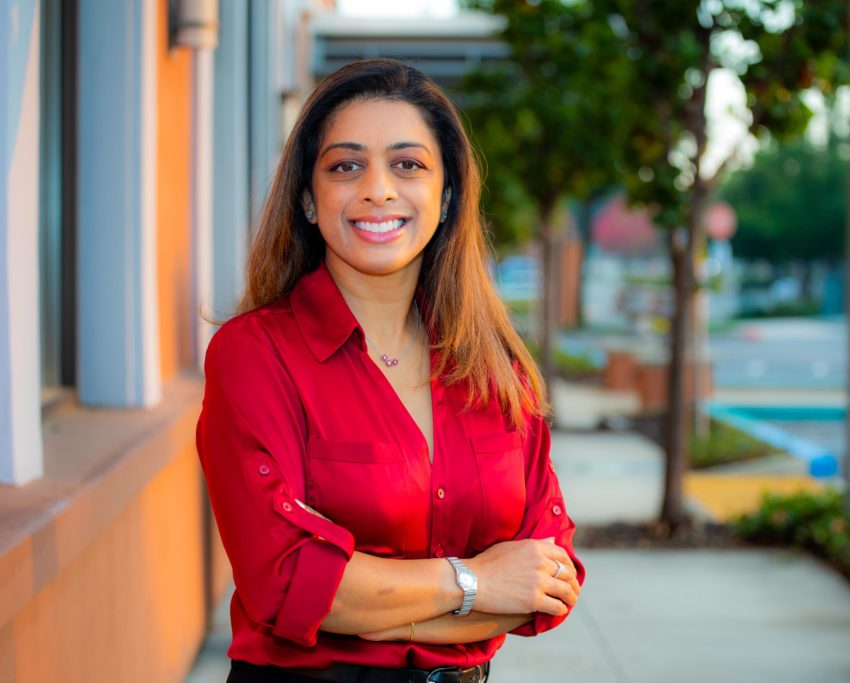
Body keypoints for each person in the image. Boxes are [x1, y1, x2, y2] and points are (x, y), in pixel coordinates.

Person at [196, 59, 583, 683]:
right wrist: (477, 583)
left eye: (408, 164)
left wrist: (372, 609)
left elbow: (550, 578)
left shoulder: (494, 366)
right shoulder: (255, 355)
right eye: (346, 166)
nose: (378, 189)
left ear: (446, 196)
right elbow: (287, 581)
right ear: (308, 199)